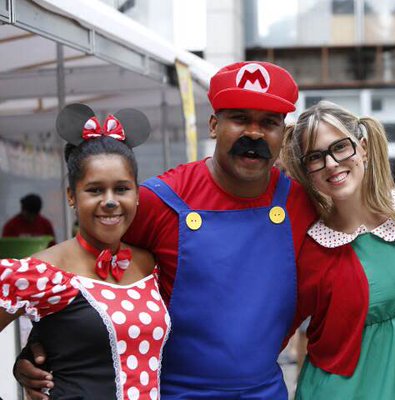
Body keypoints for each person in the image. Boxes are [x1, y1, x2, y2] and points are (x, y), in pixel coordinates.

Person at [16, 61, 317, 400]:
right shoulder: (158, 201)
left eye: (269, 123)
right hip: (170, 391)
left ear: (283, 132)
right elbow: (91, 275)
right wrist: (44, 344)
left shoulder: (304, 206)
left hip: (265, 391)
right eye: (240, 119)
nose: (254, 134)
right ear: (214, 125)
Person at [1, 104, 169, 399]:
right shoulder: (42, 272)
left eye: (121, 189)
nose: (110, 201)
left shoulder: (150, 263)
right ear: (71, 196)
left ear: (137, 194)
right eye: (94, 190)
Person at [282, 100, 395, 399]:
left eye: (340, 148)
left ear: (362, 147)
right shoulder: (308, 246)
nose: (331, 163)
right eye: (315, 157)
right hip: (334, 391)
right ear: (307, 171)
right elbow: (275, 327)